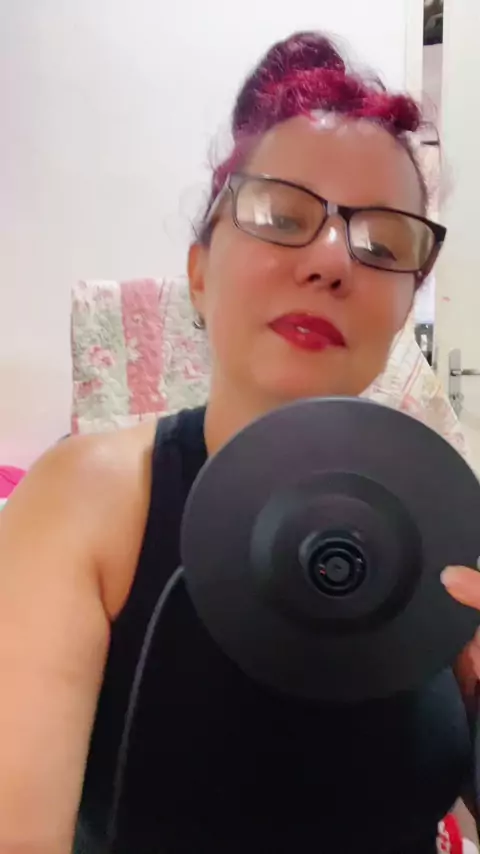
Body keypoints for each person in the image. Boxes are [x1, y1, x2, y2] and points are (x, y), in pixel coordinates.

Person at [1, 30, 479, 854]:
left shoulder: (446, 524)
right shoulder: (86, 500)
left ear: (406, 308)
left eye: (383, 243)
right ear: (199, 273)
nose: (332, 262)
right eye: (282, 216)